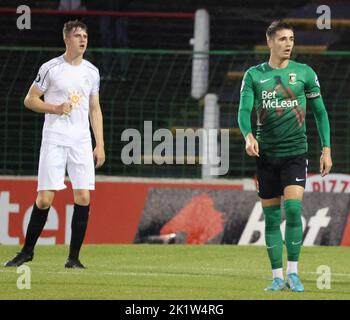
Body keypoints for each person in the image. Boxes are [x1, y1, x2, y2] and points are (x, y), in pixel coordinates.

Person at [238, 20, 332, 292]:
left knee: (293, 210)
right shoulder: (254, 76)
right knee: (270, 217)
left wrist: (326, 149)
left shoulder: (305, 73)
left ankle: (293, 272)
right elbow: (244, 111)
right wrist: (248, 135)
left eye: (291, 38)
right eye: (282, 39)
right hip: (266, 155)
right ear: (270, 42)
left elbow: (321, 112)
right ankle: (277, 276)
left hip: (295, 153)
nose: (288, 43)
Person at [4, 20, 105, 269]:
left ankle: (73, 258)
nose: (83, 40)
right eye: (78, 36)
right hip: (55, 138)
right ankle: (27, 252)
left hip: (81, 141)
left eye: (85, 36)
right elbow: (30, 99)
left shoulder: (92, 71)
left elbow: (95, 108)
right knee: (44, 199)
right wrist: (56, 108)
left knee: (82, 196)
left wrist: (100, 143)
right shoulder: (51, 68)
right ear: (66, 39)